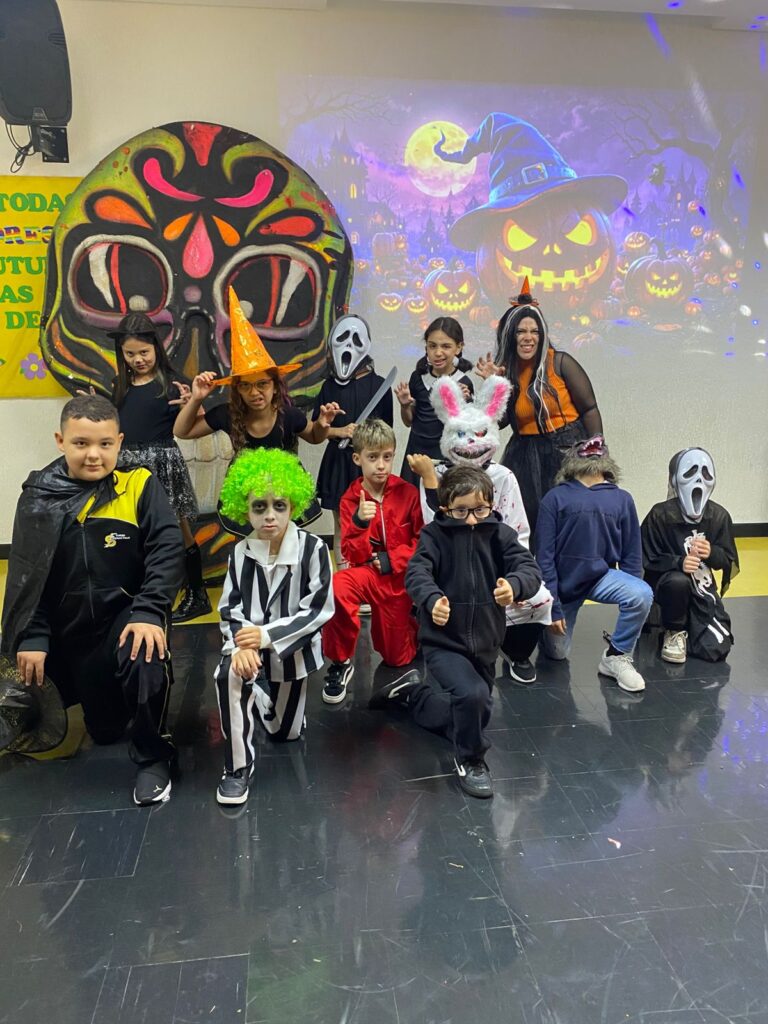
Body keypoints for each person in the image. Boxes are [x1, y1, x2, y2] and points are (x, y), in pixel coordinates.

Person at [1, 395, 184, 805]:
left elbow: (167, 549)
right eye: (81, 443)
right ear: (60, 441)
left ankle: (155, 757)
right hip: (71, 631)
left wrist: (148, 611)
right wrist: (33, 635)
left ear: (119, 442)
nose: (94, 455)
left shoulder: (139, 485)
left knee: (145, 651)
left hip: (126, 617)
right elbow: (29, 575)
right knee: (104, 731)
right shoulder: (37, 497)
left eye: (104, 444)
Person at [370, 464, 541, 799]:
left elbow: (529, 568)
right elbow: (417, 574)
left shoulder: (501, 535)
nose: (472, 519)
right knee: (473, 697)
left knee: (472, 712)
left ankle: (413, 696)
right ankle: (471, 760)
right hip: (443, 642)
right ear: (445, 507)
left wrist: (515, 584)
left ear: (491, 504)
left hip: (487, 642)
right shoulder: (434, 536)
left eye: (480, 509)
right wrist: (432, 599)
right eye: (461, 511)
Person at [406, 373, 553, 685]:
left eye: (479, 434)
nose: (470, 444)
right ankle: (443, 650)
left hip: (493, 568)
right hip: (451, 568)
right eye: (461, 434)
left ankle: (516, 651)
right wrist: (431, 481)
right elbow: (432, 529)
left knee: (540, 597)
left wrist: (514, 581)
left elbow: (517, 533)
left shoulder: (504, 476)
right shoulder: (435, 474)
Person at [213, 449, 335, 805]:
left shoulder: (313, 549)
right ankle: (237, 768)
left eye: (279, 506)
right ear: (245, 510)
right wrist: (240, 646)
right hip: (246, 647)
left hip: (291, 653)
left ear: (293, 506)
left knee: (285, 734)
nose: (269, 516)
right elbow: (229, 607)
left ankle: (262, 697)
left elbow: (318, 610)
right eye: (259, 507)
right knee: (228, 674)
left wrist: (266, 636)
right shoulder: (240, 552)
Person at [173, 288, 342, 526]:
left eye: (262, 384)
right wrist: (196, 399)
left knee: (283, 542)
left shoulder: (287, 414)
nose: (254, 393)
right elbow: (182, 431)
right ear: (238, 390)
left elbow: (314, 437)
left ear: (275, 386)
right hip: (247, 498)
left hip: (282, 495)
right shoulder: (228, 414)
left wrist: (323, 425)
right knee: (251, 543)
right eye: (246, 386)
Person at [101, 312, 209, 624]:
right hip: (127, 466)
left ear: (156, 348)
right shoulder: (119, 385)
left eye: (144, 352)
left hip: (162, 463)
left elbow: (192, 422)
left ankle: (197, 594)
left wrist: (191, 403)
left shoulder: (172, 383)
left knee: (178, 530)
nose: (138, 359)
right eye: (130, 354)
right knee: (133, 530)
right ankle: (141, 593)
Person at [476, 278, 602, 532]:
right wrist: (494, 386)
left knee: (571, 522)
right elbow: (500, 422)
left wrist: (596, 455)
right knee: (528, 523)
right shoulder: (507, 371)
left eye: (534, 331)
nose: (528, 338)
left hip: (566, 450)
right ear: (510, 335)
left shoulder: (561, 363)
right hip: (525, 456)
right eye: (521, 331)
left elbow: (589, 409)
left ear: (542, 335)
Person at [536, 435, 652, 693]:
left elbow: (632, 554)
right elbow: (544, 557)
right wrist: (552, 607)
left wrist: (633, 601)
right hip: (564, 583)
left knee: (641, 593)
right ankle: (541, 630)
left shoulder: (622, 499)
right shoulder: (555, 498)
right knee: (557, 653)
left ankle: (617, 656)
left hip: (601, 577)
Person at [321, 419, 423, 705]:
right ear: (358, 459)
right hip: (367, 576)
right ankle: (340, 662)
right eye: (373, 457)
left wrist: (395, 559)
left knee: (396, 658)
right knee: (338, 585)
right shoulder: (350, 499)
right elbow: (351, 555)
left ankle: (416, 626)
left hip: (399, 581)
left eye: (387, 457)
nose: (381, 465)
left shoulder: (408, 493)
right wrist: (359, 522)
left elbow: (423, 541)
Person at [642, 448, 738, 664]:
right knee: (678, 581)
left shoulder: (719, 516)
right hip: (668, 584)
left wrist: (712, 553)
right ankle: (673, 630)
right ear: (675, 479)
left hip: (701, 587)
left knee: (715, 648)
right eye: (691, 472)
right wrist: (678, 563)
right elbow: (647, 557)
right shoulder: (660, 515)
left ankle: (690, 625)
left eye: (706, 473)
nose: (699, 480)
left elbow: (728, 560)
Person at [313, 313, 394, 563]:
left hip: (369, 466)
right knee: (342, 522)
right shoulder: (329, 387)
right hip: (339, 462)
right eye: (343, 338)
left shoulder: (380, 385)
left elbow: (388, 433)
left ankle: (368, 576)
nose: (349, 345)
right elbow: (316, 430)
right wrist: (340, 432)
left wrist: (374, 446)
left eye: (356, 339)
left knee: (373, 521)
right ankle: (344, 578)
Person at [395, 316, 474, 487]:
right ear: (426, 347)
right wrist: (405, 406)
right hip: (416, 452)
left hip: (446, 455)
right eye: (432, 346)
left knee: (439, 498)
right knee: (412, 499)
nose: (438, 353)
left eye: (446, 346)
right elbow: (409, 421)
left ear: (459, 347)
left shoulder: (463, 383)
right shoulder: (418, 377)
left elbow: (467, 431)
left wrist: (461, 404)